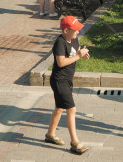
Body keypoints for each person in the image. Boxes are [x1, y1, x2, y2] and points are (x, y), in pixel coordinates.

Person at [44, 15, 90, 155]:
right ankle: (75, 142)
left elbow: (74, 53)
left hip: (67, 79)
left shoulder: (74, 39)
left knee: (59, 108)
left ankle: (50, 135)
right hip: (59, 81)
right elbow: (61, 62)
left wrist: (82, 54)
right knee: (71, 109)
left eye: (78, 29)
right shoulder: (59, 42)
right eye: (75, 29)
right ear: (65, 30)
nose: (78, 32)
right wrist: (78, 56)